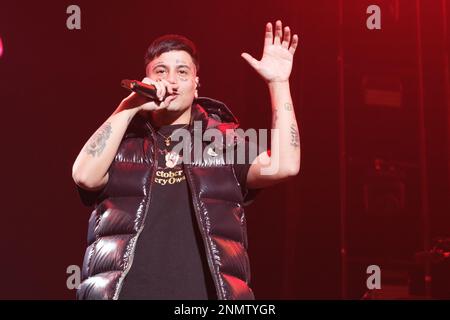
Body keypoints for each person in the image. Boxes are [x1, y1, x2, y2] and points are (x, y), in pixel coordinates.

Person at [72, 20, 300, 300]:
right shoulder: (122, 141)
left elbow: (286, 164)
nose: (171, 80)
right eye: (161, 71)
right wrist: (130, 105)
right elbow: (84, 175)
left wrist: (279, 83)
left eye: (182, 72)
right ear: (147, 79)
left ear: (196, 82)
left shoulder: (223, 141)